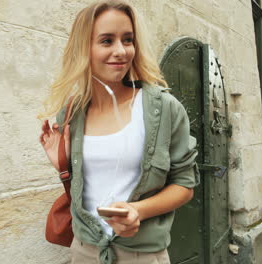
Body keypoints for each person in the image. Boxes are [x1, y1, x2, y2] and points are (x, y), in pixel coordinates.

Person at [38, 1, 199, 263]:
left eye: (127, 40)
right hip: (84, 251)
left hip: (143, 255)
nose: (121, 51)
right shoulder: (72, 113)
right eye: (106, 41)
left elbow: (184, 184)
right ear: (84, 49)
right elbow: (87, 191)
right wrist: (63, 166)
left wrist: (138, 210)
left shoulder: (164, 108)